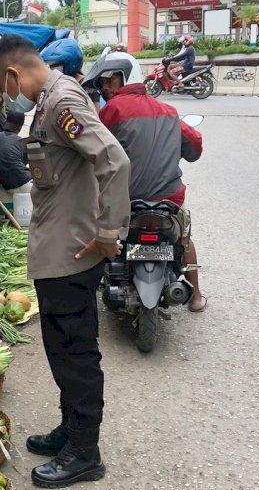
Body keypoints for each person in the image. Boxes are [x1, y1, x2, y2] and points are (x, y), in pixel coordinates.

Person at [0, 34, 130, 489]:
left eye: (2, 87)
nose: (7, 96)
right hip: (56, 254)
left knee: (76, 355)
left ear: (13, 74)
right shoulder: (49, 101)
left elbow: (114, 161)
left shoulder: (63, 100)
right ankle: (71, 430)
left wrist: (109, 234)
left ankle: (85, 452)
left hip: (72, 255)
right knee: (60, 351)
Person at [89, 51, 207, 312]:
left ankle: (93, 284)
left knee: (98, 229)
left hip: (127, 201)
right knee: (183, 237)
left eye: (109, 80)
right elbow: (195, 147)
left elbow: (93, 149)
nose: (104, 87)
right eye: (100, 84)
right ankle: (196, 296)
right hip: (168, 200)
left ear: (125, 77)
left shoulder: (113, 110)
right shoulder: (169, 111)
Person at [0, 110, 32, 193]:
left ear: (6, 122)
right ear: (20, 128)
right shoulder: (23, 142)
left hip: (8, 186)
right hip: (25, 183)